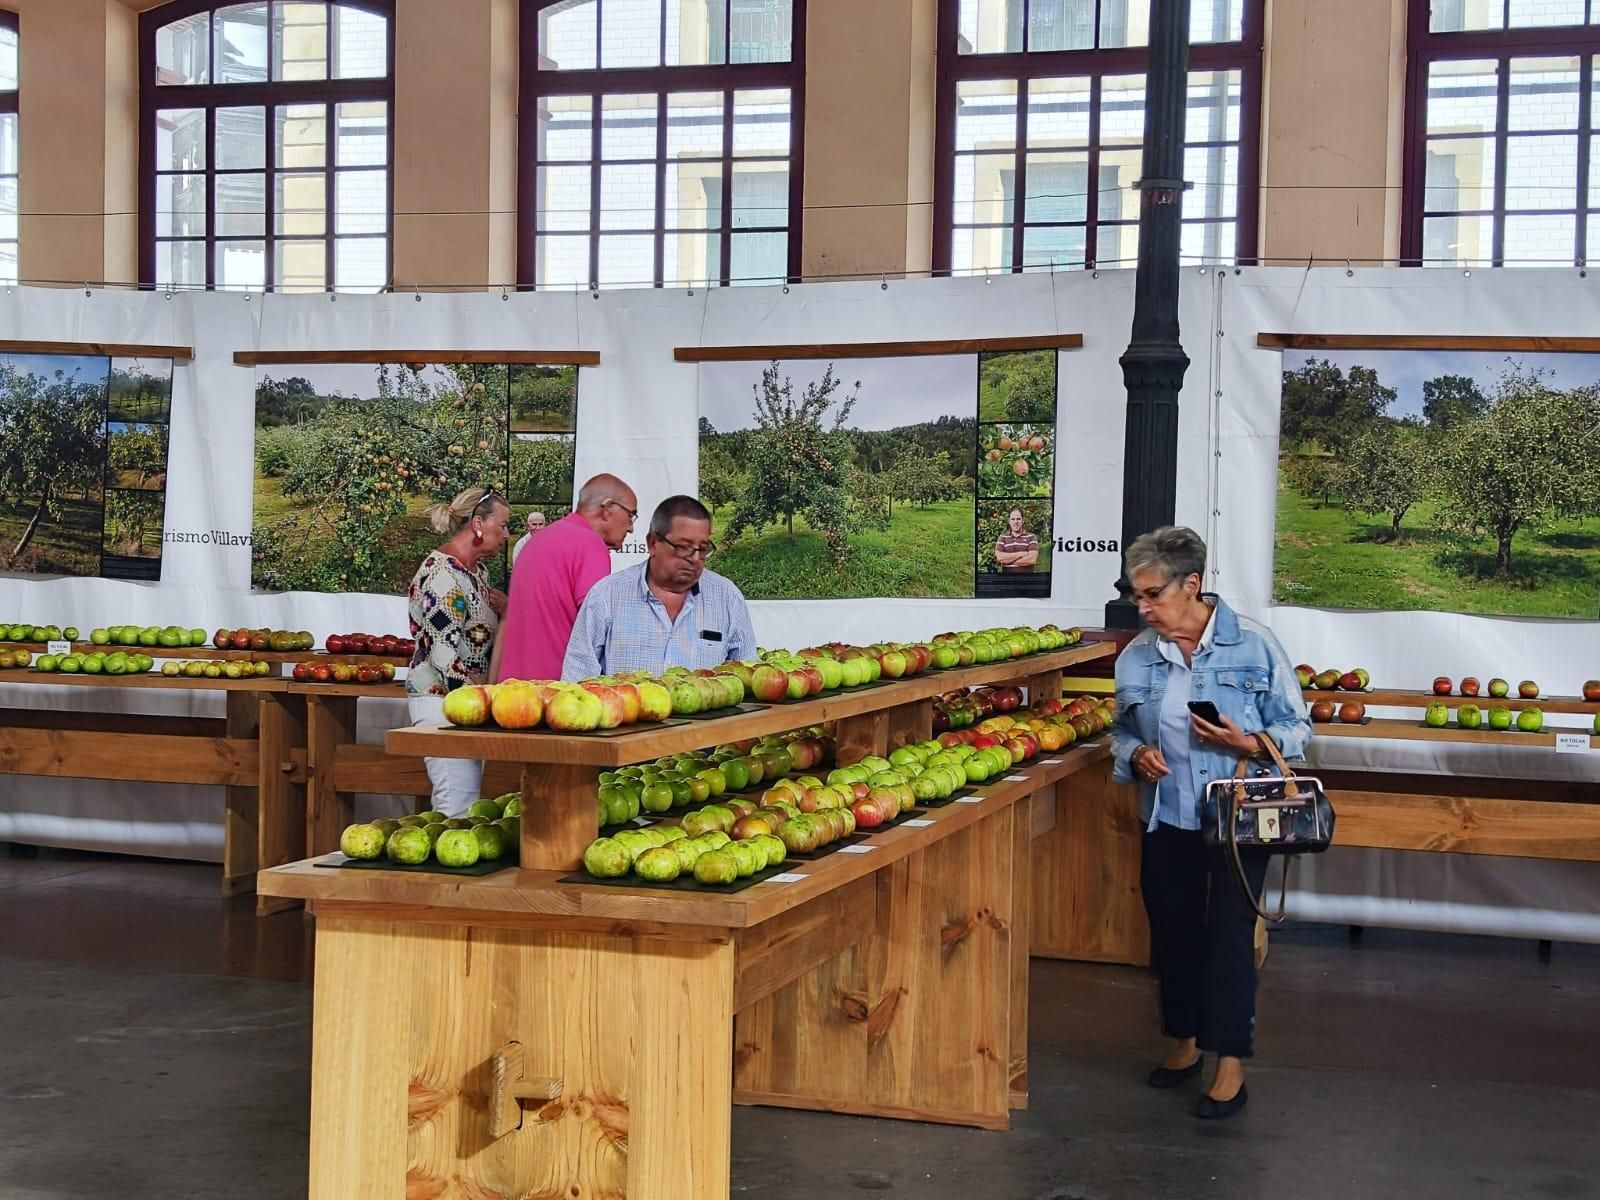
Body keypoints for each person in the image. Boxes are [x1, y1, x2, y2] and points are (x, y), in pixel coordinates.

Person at [1109, 525, 1312, 1121]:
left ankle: (1229, 1063)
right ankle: (1185, 1040)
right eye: (1136, 595)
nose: (1142, 607)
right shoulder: (1137, 656)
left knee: (1228, 938)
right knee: (1172, 933)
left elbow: (1298, 730)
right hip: (1166, 817)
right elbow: (1120, 731)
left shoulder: (1254, 645)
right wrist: (1133, 756)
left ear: (1191, 584)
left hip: (1239, 819)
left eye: (1152, 595)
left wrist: (1248, 741)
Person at [561, 495, 756, 680]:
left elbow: (748, 682)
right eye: (683, 547)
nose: (695, 559)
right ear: (653, 543)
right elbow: (576, 681)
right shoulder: (606, 597)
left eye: (703, 549)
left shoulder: (728, 598)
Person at [405, 486, 512, 817]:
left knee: (463, 802)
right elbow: (441, 653)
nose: (507, 535)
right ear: (478, 524)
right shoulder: (443, 574)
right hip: (444, 704)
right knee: (456, 806)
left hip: (462, 705)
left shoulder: (476, 573)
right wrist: (477, 702)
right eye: (503, 525)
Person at [492, 474, 637, 682]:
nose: (631, 527)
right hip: (559, 695)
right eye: (631, 515)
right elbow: (599, 630)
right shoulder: (590, 545)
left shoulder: (538, 540)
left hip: (513, 692)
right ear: (607, 509)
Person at [994, 507, 1040, 572]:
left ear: (1023, 520)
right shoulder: (1002, 538)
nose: (1016, 522)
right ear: (1009, 521)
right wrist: (1021, 554)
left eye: (1018, 519)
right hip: (1007, 580)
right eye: (1013, 519)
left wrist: (1007, 561)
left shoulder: (1031, 537)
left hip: (1027, 579)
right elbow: (999, 558)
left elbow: (1032, 560)